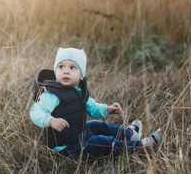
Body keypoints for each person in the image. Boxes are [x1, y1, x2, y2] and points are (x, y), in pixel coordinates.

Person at [30, 47, 164, 158]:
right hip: (64, 147)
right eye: (61, 67)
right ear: (55, 71)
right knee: (101, 142)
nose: (66, 70)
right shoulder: (53, 94)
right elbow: (36, 112)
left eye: (72, 68)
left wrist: (107, 109)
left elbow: (92, 107)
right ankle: (142, 147)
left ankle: (130, 135)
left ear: (81, 75)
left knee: (98, 125)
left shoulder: (79, 90)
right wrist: (50, 120)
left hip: (78, 133)